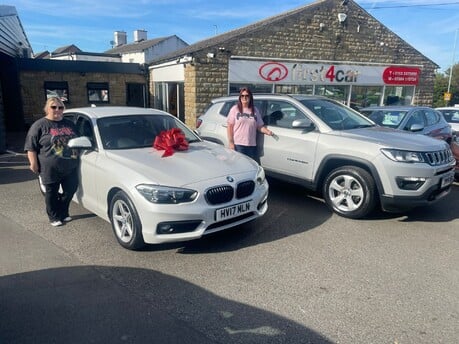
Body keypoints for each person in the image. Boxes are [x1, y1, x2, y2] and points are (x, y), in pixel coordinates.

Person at [24, 97, 80, 227]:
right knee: (51, 193)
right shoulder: (39, 125)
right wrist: (33, 163)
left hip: (70, 165)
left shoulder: (70, 124)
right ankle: (54, 217)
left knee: (70, 190)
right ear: (47, 109)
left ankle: (64, 212)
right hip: (49, 167)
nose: (57, 110)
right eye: (53, 107)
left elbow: (79, 139)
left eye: (60, 107)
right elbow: (30, 147)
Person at [227, 88, 273, 161]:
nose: (244, 97)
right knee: (240, 165)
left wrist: (267, 131)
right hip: (239, 144)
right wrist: (231, 143)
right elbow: (230, 126)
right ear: (240, 97)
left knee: (249, 166)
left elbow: (259, 126)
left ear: (250, 97)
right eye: (242, 96)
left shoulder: (255, 110)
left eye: (247, 95)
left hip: (251, 144)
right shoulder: (235, 109)